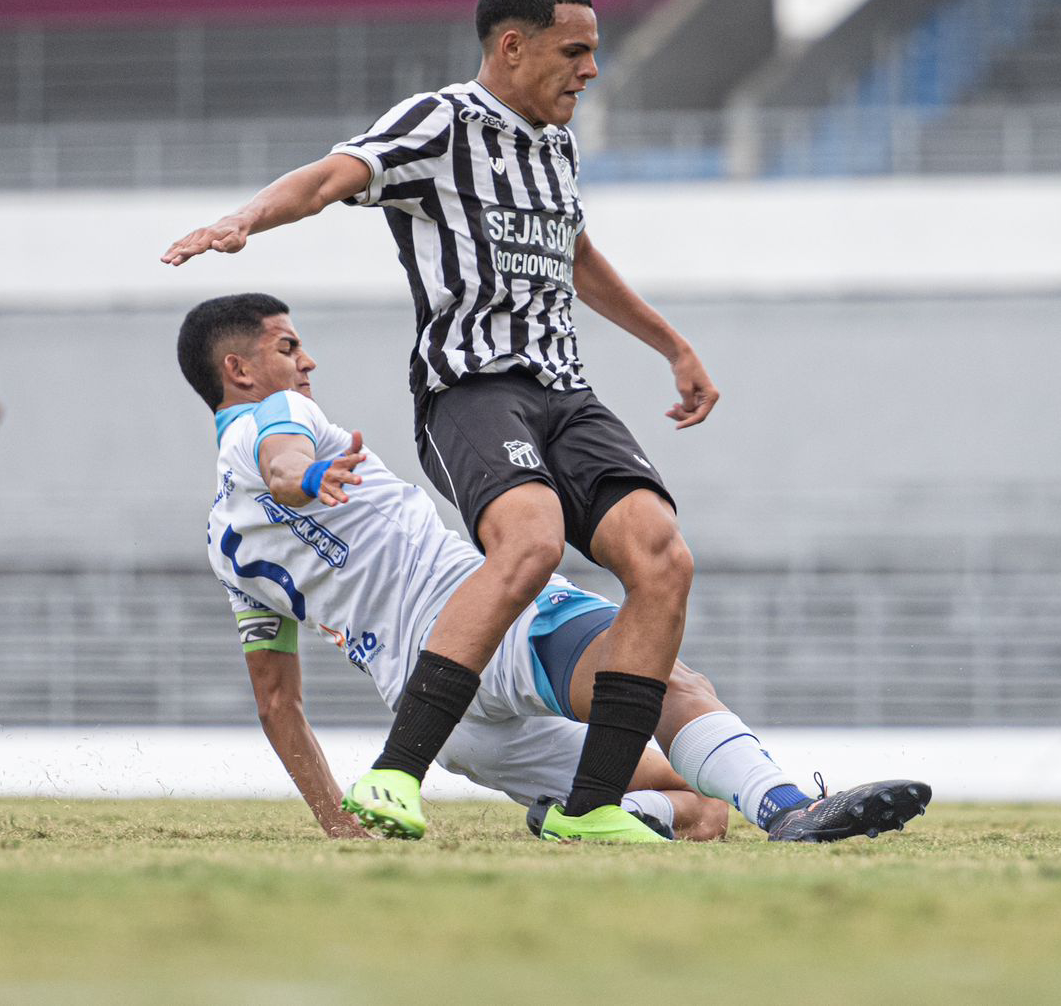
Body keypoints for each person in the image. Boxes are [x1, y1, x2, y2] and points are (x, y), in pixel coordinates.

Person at [163, 0, 718, 843]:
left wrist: (669, 343)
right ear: (512, 45)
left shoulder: (555, 147)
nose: (592, 69)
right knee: (534, 542)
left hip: (555, 405)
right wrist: (247, 220)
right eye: (576, 51)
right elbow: (327, 177)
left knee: (692, 753)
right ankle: (404, 770)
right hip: (477, 401)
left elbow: (573, 257)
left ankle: (599, 810)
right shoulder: (440, 121)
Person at [178, 293, 931, 843]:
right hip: (484, 625)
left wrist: (337, 822)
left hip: (440, 718)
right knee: (669, 680)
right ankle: (790, 809)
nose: (305, 361)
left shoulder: (223, 545)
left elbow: (278, 703)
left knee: (701, 812)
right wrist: (306, 479)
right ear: (238, 368)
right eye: (287, 346)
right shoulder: (273, 416)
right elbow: (282, 457)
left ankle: (574, 823)